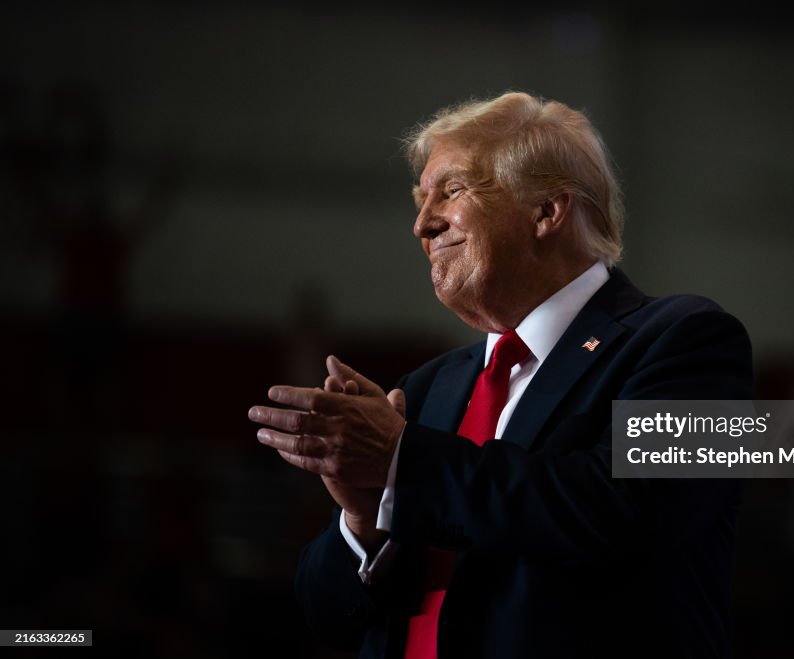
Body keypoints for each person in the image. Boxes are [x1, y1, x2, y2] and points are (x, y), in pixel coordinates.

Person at [248, 91, 752, 659]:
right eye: (420, 198)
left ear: (547, 210)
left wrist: (401, 462)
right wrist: (366, 521)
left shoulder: (688, 340)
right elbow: (329, 616)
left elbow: (628, 511)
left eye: (452, 190)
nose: (422, 223)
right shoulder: (426, 388)